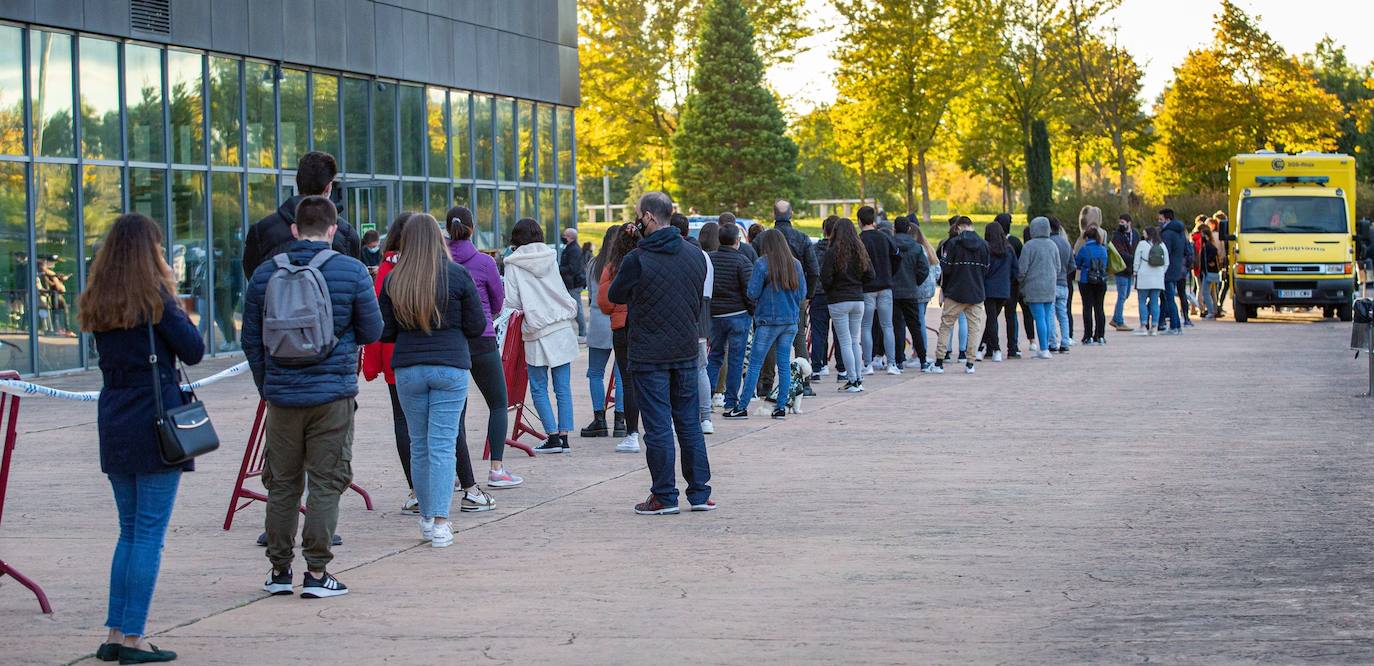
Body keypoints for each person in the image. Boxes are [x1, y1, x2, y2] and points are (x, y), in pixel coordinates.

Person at [243, 195, 382, 599]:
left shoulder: (266, 274)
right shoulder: (352, 270)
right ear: (333, 229)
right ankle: (318, 573)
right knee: (327, 481)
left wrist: (267, 385)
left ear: (293, 229)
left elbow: (251, 338)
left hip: (282, 397)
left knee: (282, 484)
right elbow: (372, 332)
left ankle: (279, 570)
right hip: (333, 395)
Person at [80, 213, 204, 664]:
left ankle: (115, 631)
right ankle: (133, 638)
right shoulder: (157, 301)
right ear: (151, 253)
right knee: (149, 534)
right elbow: (194, 348)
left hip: (114, 418)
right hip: (155, 422)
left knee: (129, 531)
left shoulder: (98, 300)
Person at [378, 214, 486, 548]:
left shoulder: (395, 280)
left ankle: (427, 516)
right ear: (439, 240)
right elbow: (476, 325)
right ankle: (440, 520)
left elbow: (385, 331)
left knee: (420, 444)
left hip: (408, 368)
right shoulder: (458, 275)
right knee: (442, 443)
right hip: (450, 365)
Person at [608, 192, 713, 515]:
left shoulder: (637, 258)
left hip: (648, 352)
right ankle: (699, 492)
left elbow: (616, 294)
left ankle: (665, 495)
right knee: (689, 424)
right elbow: (696, 299)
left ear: (649, 218)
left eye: (639, 214)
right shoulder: (694, 255)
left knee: (657, 427)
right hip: (685, 347)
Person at [446, 206, 521, 492]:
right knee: (498, 403)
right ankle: (496, 468)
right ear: (472, 227)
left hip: (451, 341)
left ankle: (455, 471)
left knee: (455, 410)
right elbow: (498, 302)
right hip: (482, 338)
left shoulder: (439, 261)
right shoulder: (484, 262)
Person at [361, 212, 422, 512]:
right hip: (429, 353)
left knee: (403, 421)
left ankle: (415, 488)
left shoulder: (386, 269)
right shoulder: (430, 266)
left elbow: (376, 320)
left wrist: (372, 364)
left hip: (395, 356)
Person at [504, 219, 579, 454]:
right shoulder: (550, 256)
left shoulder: (513, 264)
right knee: (562, 386)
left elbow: (513, 302)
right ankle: (565, 437)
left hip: (536, 329)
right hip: (561, 325)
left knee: (538, 387)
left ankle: (552, 436)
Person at [242, 151, 361, 277]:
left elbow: (254, 278)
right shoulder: (345, 234)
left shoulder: (262, 231)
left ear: (298, 182)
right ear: (328, 187)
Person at [733, 229, 805, 418]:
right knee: (783, 364)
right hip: (790, 320)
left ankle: (742, 407)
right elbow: (802, 294)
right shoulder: (795, 265)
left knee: (755, 364)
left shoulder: (762, 264)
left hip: (768, 321)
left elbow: (752, 292)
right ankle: (781, 407)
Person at [597, 224, 643, 453]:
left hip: (622, 327)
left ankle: (632, 432)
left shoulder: (613, 267)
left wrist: (618, 308)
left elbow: (604, 302)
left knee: (628, 380)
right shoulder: (648, 261)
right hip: (647, 325)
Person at [581, 225, 627, 440]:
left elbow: (591, 295)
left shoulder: (594, 264)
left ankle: (599, 419)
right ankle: (620, 419)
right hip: (620, 319)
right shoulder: (624, 264)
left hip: (598, 321)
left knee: (595, 372)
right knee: (622, 374)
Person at [706, 220, 754, 417]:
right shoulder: (742, 261)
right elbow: (750, 292)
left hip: (715, 315)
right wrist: (751, 311)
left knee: (715, 356)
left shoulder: (709, 260)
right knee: (735, 358)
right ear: (737, 240)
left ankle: (707, 397)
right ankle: (731, 402)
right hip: (738, 315)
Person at [821, 218, 874, 392]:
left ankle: (852, 379)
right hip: (858, 299)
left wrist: (832, 289)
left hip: (838, 300)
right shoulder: (860, 251)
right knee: (854, 341)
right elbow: (871, 275)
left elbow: (825, 278)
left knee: (844, 341)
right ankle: (858, 377)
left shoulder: (832, 252)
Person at [932, 216, 989, 374]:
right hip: (976, 292)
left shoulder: (953, 244)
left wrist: (943, 289)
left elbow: (946, 269)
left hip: (955, 292)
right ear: (972, 226)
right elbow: (986, 270)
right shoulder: (984, 245)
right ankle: (970, 363)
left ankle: (939, 362)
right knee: (974, 328)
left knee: (946, 326)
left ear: (958, 227)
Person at [857, 206, 900, 375]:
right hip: (885, 286)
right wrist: (889, 273)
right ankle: (891, 363)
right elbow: (897, 257)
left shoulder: (859, 239)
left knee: (866, 326)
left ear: (859, 221)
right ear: (873, 220)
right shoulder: (885, 237)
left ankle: (868, 364)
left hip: (867, 288)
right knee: (887, 326)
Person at [891, 217, 931, 371]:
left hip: (893, 291)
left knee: (897, 326)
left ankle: (899, 360)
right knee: (915, 326)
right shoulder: (916, 247)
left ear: (894, 228)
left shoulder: (891, 244)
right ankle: (922, 359)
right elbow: (924, 269)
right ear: (908, 229)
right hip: (910, 291)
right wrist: (915, 282)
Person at [1017, 217, 1059, 359]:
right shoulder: (1052, 245)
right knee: (1046, 317)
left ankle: (1044, 349)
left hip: (1034, 287)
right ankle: (1046, 346)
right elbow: (1058, 267)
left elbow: (1022, 269)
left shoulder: (1029, 246)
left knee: (1039, 318)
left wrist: (1021, 282)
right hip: (1049, 286)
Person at [979, 222, 1017, 362]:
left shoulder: (986, 249)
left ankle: (996, 349)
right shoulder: (1009, 249)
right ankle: (981, 348)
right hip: (1004, 289)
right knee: (992, 319)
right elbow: (1015, 270)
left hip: (988, 289)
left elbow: (983, 269)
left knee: (991, 319)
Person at [808, 216, 838, 379]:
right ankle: (842, 369)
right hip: (836, 294)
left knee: (819, 332)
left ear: (823, 230)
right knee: (840, 332)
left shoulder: (814, 249)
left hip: (818, 293)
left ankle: (818, 365)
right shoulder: (841, 250)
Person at [994, 213, 1024, 357]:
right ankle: (1013, 346)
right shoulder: (1016, 242)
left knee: (993, 317)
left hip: (997, 284)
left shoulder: (991, 243)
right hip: (1012, 284)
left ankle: (991, 347)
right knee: (1011, 316)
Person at [1074, 225, 1109, 345]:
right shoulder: (1103, 249)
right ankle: (1100, 335)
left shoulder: (1084, 249)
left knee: (1087, 307)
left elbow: (1077, 263)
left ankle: (1087, 336)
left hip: (1086, 280)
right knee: (1099, 308)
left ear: (1087, 237)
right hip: (1101, 281)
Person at [1133, 225, 1169, 335]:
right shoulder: (1162, 245)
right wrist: (1161, 272)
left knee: (1142, 302)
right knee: (1155, 303)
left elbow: (1136, 260)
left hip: (1144, 276)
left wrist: (1135, 272)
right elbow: (1166, 262)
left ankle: (1143, 326)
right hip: (1157, 278)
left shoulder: (1142, 244)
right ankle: (1154, 327)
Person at [1158, 209, 1189, 335]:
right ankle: (1174, 325)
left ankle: (1175, 326)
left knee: (1169, 298)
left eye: (1160, 219)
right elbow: (1187, 250)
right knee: (1169, 298)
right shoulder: (1181, 232)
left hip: (1168, 269)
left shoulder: (1167, 234)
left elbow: (1165, 252)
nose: (1159, 222)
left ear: (1167, 219)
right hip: (1177, 268)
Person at [1048, 217, 1074, 353]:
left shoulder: (1049, 243)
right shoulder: (1066, 243)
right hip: (1064, 283)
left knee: (1050, 314)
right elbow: (1072, 265)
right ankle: (1065, 341)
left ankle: (1052, 342)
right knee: (1063, 314)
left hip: (1052, 283)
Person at [1109, 214, 1139, 331]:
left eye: (1123, 222)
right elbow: (1119, 252)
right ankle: (1119, 321)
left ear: (1129, 222)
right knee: (1122, 295)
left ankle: (1116, 318)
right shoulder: (1117, 235)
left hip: (1130, 269)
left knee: (1126, 294)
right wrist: (1133, 258)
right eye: (1120, 222)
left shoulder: (1135, 234)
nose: (1121, 224)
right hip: (1121, 269)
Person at [559, 227, 586, 338]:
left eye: (565, 235)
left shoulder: (573, 249)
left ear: (570, 237)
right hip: (570, 283)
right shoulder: (570, 248)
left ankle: (582, 333)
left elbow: (573, 268)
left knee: (577, 308)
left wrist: (559, 269)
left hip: (574, 284)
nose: (563, 237)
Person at [1199, 223, 1223, 319]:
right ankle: (1213, 310)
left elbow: (1212, 253)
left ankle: (1211, 311)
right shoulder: (1209, 245)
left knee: (1205, 292)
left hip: (1208, 271)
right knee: (1209, 292)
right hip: (1210, 271)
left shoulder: (1208, 246)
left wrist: (1209, 261)